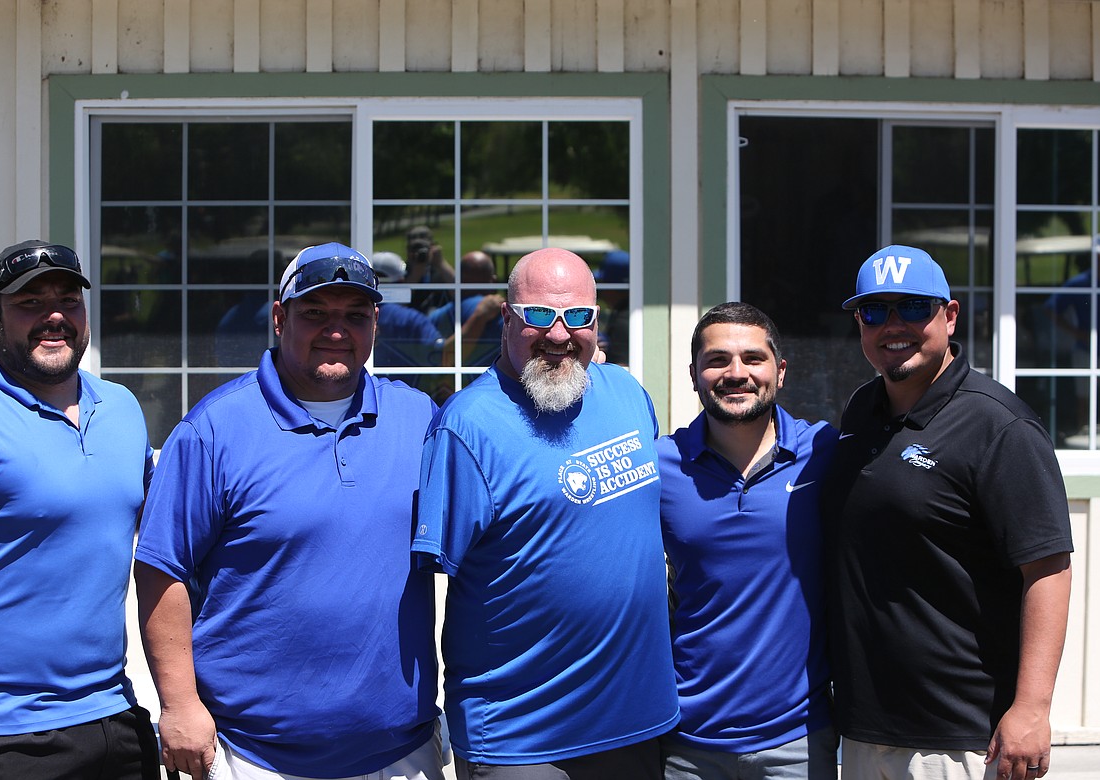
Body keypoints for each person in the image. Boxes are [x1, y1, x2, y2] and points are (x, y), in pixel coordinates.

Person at [134, 243, 443, 780]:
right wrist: (179, 703)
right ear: (280, 319)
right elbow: (162, 570)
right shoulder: (213, 431)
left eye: (355, 315)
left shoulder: (418, 419)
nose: (336, 330)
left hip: (401, 753)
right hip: (255, 756)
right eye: (316, 313)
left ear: (376, 323)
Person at [413, 247, 679, 779]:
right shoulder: (467, 428)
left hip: (635, 722)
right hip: (520, 736)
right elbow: (420, 588)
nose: (559, 334)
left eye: (578, 316)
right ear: (507, 319)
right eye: (538, 315)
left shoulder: (628, 394)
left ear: (597, 322)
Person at [823, 244, 1074, 780]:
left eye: (914, 307)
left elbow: (1047, 568)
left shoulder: (999, 426)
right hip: (865, 727)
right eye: (875, 311)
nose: (895, 326)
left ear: (950, 315)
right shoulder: (860, 410)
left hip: (959, 736)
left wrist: (1031, 708)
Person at [0, 240, 159, 780]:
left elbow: (161, 548)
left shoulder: (122, 409)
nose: (54, 316)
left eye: (68, 301)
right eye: (30, 303)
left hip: (115, 716)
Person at [657, 302, 837, 780]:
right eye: (717, 360)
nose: (736, 373)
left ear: (780, 371)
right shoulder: (659, 467)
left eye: (752, 359)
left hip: (797, 740)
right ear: (693, 373)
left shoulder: (825, 454)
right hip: (687, 742)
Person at [430, 250, 503, 366]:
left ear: (458, 281)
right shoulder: (504, 316)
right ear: (493, 281)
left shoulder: (436, 317)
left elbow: (433, 359)